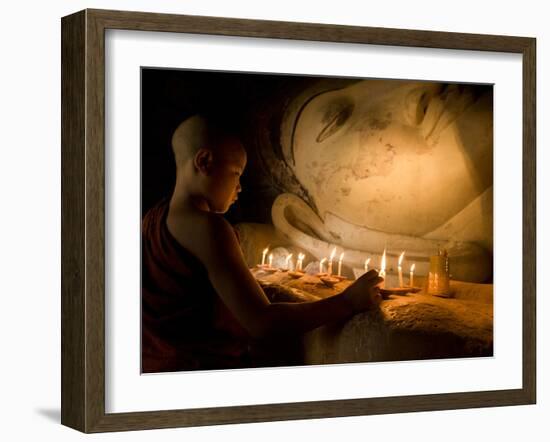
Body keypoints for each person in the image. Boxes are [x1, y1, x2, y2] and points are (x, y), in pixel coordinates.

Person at [141, 114, 383, 373]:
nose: (240, 187)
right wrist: (347, 301)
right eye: (236, 173)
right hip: (198, 369)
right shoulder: (208, 228)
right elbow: (261, 323)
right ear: (204, 161)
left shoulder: (152, 217)